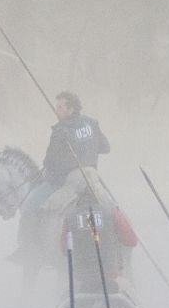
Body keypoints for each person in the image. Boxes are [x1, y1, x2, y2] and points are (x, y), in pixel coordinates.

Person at [16, 89, 108, 248]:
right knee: (111, 208)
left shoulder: (60, 130)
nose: (56, 110)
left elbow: (49, 163)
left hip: (68, 182)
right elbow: (105, 147)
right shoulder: (92, 123)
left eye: (59, 107)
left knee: (29, 206)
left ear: (71, 109)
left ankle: (28, 250)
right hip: (92, 179)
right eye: (56, 106)